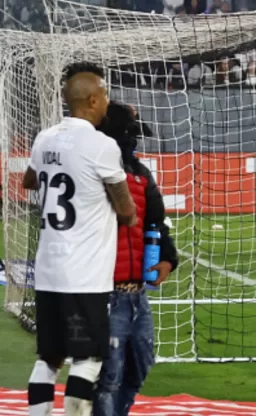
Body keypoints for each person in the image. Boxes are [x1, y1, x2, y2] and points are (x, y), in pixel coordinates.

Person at [23, 62, 137, 416]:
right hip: (84, 274)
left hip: (48, 271)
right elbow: (127, 211)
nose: (107, 101)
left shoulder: (45, 138)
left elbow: (29, 180)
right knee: (88, 360)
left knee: (48, 358)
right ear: (91, 100)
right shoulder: (102, 145)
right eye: (104, 94)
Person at [92, 102, 179, 416]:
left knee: (139, 366)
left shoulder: (141, 174)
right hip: (103, 291)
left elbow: (156, 221)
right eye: (129, 134)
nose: (133, 142)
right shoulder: (93, 173)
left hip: (137, 293)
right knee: (109, 376)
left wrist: (168, 259)